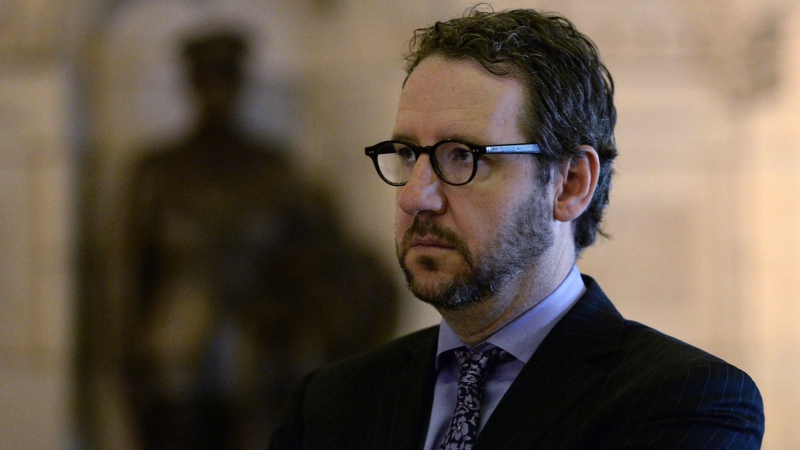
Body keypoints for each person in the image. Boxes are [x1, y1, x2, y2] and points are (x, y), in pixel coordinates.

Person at [268, 7, 765, 450]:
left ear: (570, 183)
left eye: (462, 157)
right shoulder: (328, 404)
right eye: (406, 155)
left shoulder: (687, 400)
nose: (414, 196)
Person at [120, 29, 398, 449]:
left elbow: (318, 258)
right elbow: (129, 273)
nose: (217, 92)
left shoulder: (274, 169)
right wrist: (128, 360)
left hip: (260, 355)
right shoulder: (157, 171)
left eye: (226, 79)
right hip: (174, 355)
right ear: (191, 84)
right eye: (207, 79)